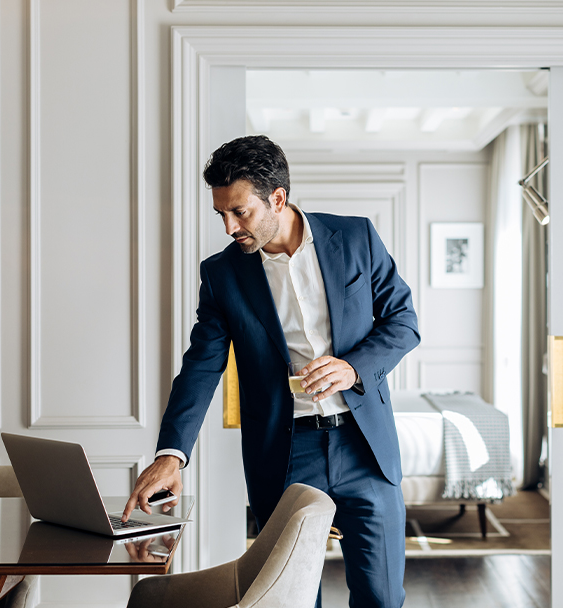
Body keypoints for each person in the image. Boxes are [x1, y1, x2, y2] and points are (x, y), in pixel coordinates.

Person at [122, 135, 419, 608]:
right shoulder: (223, 274)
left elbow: (403, 323)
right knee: (292, 598)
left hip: (365, 447)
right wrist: (171, 455)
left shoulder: (357, 237)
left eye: (240, 212)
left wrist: (352, 368)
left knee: (383, 598)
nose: (228, 226)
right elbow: (201, 365)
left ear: (277, 199)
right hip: (285, 453)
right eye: (221, 212)